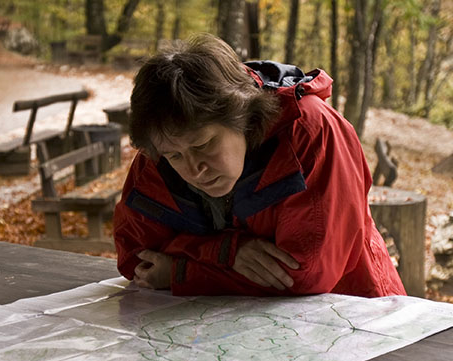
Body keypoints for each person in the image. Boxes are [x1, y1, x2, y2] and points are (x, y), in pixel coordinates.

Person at [112, 34, 406, 297]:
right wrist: (226, 252)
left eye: (203, 145)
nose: (193, 169)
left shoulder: (309, 130)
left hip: (355, 315)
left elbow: (306, 274)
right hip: (223, 335)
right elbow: (136, 257)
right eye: (174, 157)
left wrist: (181, 272)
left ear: (243, 117)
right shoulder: (164, 141)